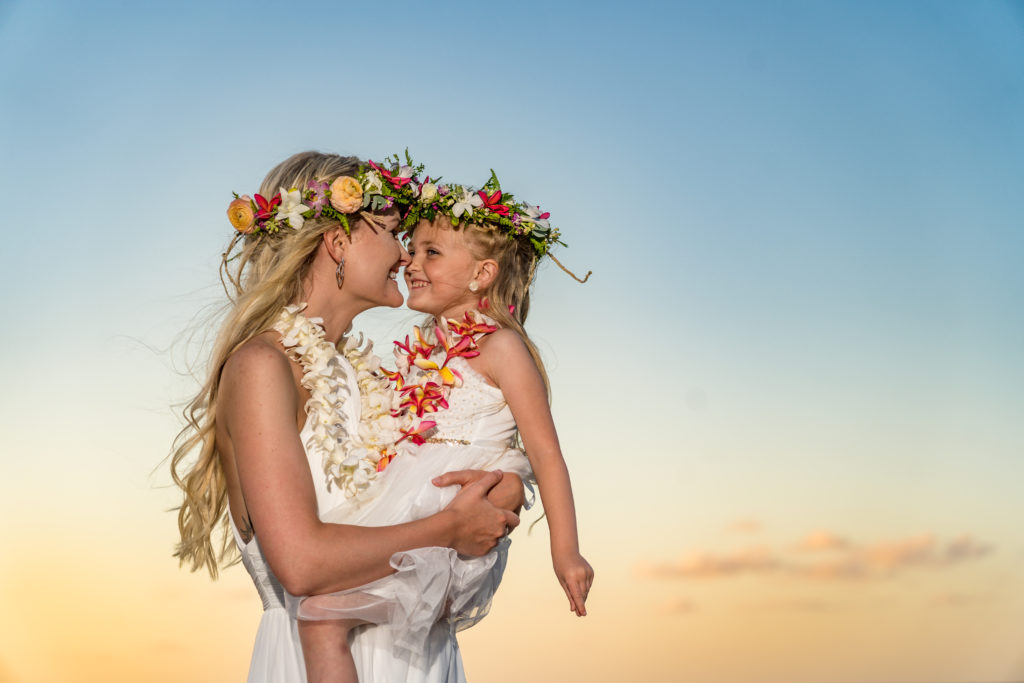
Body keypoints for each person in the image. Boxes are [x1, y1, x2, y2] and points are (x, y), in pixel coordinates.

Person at [170, 151, 525, 683]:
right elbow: (302, 563)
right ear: (338, 243)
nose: (404, 254)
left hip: (418, 659)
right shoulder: (262, 366)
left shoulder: (371, 378)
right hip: (312, 660)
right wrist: (450, 528)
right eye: (387, 231)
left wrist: (500, 488)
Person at [292, 167, 595, 682]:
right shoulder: (421, 351)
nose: (409, 262)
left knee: (321, 619)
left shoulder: (502, 347)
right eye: (410, 249)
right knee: (322, 617)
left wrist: (566, 550)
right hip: (405, 507)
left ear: (482, 274)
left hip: (456, 521)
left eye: (431, 252)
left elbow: (545, 453)